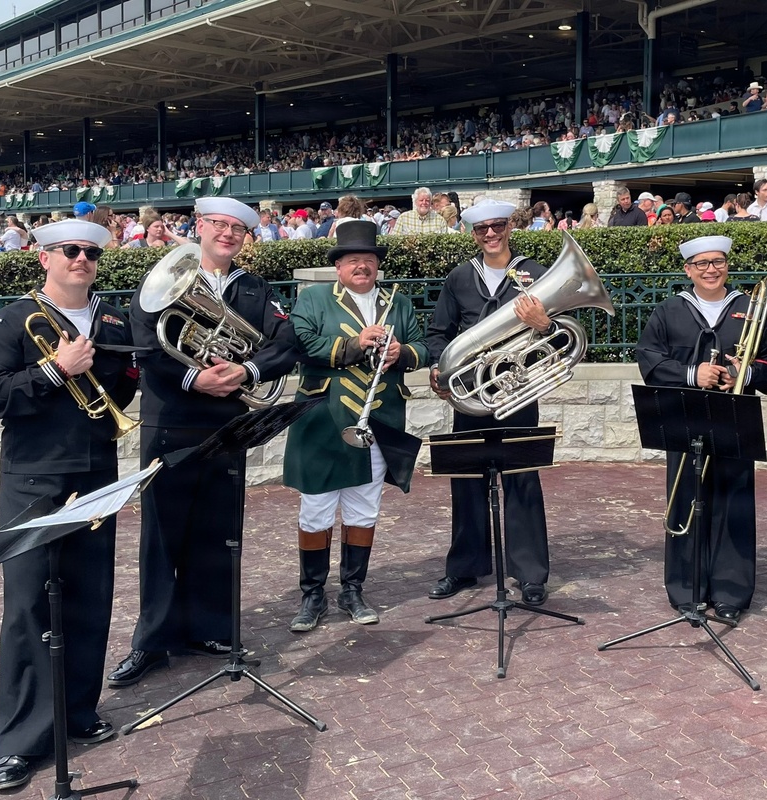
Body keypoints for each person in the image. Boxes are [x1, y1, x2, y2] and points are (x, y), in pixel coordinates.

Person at [0, 219, 138, 791]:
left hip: (97, 471)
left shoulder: (112, 319)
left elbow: (122, 387)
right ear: (43, 258)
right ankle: (18, 742)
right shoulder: (9, 321)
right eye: (70, 251)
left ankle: (78, 712)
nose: (81, 259)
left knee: (92, 597)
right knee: (29, 609)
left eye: (90, 252)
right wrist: (53, 370)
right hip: (35, 479)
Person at [107, 196, 298, 687]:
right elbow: (149, 348)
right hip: (171, 422)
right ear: (200, 226)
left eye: (238, 227)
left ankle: (210, 630)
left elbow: (286, 343)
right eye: (218, 224)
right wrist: (195, 379)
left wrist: (248, 368)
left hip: (226, 426)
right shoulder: (161, 284)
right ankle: (150, 642)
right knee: (160, 538)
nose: (228, 233)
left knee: (218, 532)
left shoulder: (255, 288)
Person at [282, 219, 428, 631]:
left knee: (364, 507)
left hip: (378, 420)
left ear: (377, 265)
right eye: (352, 261)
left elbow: (423, 345)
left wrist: (403, 352)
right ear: (339, 267)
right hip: (324, 420)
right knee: (316, 509)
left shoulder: (397, 301)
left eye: (368, 260)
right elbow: (301, 343)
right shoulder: (313, 298)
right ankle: (312, 595)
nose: (361, 267)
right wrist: (354, 344)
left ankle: (352, 590)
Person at [636, 235, 767, 620]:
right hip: (685, 416)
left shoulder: (750, 308)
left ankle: (731, 594)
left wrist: (744, 371)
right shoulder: (669, 310)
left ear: (727, 265)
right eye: (701, 264)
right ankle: (687, 590)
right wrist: (692, 373)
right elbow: (649, 359)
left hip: (736, 417)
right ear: (688, 270)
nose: (710, 269)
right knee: (687, 497)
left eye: (717, 261)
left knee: (734, 502)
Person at [426, 198, 554, 606]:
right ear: (473, 234)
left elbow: (565, 328)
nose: (491, 234)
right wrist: (438, 367)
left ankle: (530, 573)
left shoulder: (534, 273)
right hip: (470, 397)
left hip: (519, 393)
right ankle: (465, 568)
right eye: (482, 229)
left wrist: (545, 324)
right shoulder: (460, 277)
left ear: (509, 227)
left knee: (523, 480)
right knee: (466, 481)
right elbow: (437, 332)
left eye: (498, 226)